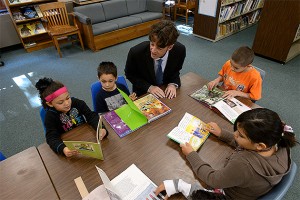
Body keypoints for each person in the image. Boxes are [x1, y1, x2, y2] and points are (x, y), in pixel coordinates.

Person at [155, 108, 298, 199]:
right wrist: (222, 134)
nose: (235, 135)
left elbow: (212, 179)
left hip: (228, 196)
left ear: (260, 145)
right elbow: (249, 145)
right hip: (249, 189)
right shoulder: (279, 141)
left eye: (240, 135)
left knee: (185, 186)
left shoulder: (244, 165)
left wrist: (191, 154)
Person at [35, 77, 108, 157]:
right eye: (61, 102)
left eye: (68, 98)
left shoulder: (77, 103)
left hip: (86, 137)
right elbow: (51, 137)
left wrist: (100, 128)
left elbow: (91, 116)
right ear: (50, 104)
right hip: (69, 144)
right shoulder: (50, 116)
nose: (67, 103)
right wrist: (63, 149)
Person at [125, 20, 186, 99]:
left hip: (165, 91)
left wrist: (172, 84)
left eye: (159, 48)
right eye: (152, 44)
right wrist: (149, 87)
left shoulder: (179, 50)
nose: (153, 50)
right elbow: (130, 74)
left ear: (170, 47)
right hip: (143, 92)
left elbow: (176, 70)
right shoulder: (136, 52)